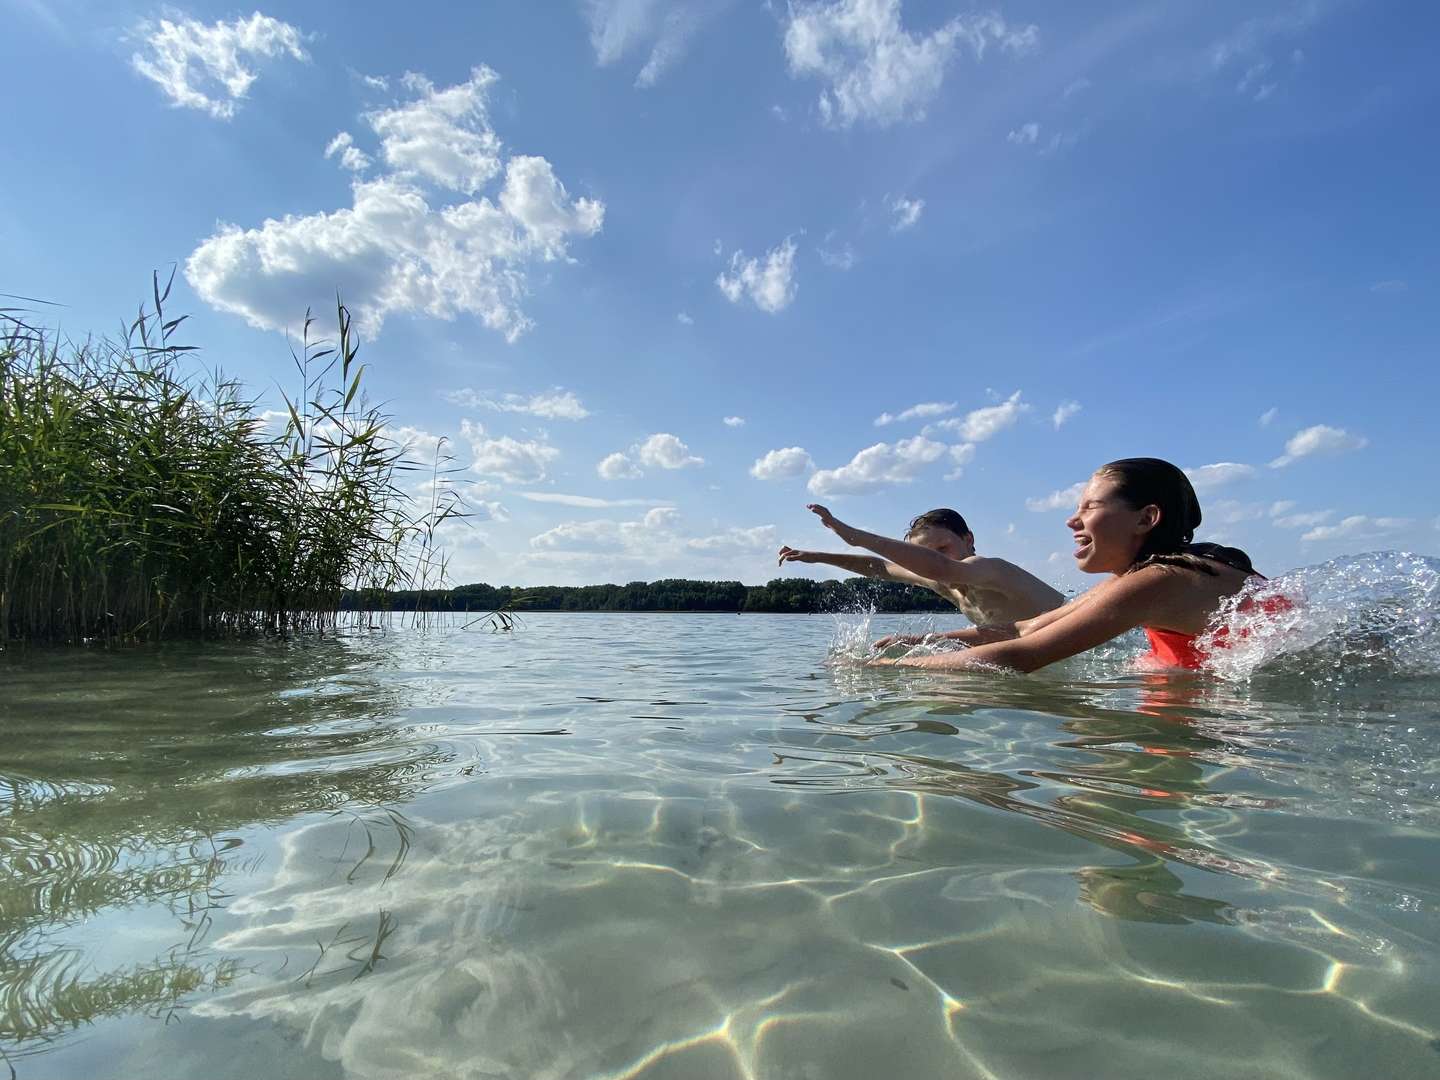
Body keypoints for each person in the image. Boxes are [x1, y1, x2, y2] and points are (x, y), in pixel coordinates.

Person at [872, 458, 1286, 674]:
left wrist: (891, 669)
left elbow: (1018, 657)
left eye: (1090, 507)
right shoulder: (1149, 576)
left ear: (1146, 519)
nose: (1073, 520)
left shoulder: (1161, 580)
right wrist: (924, 640)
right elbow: (1025, 627)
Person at [777, 504, 1065, 627]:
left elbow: (940, 567)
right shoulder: (939, 581)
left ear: (969, 539)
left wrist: (854, 536)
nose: (933, 561)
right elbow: (879, 568)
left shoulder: (990, 569)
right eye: (922, 555)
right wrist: (817, 556)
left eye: (942, 549)